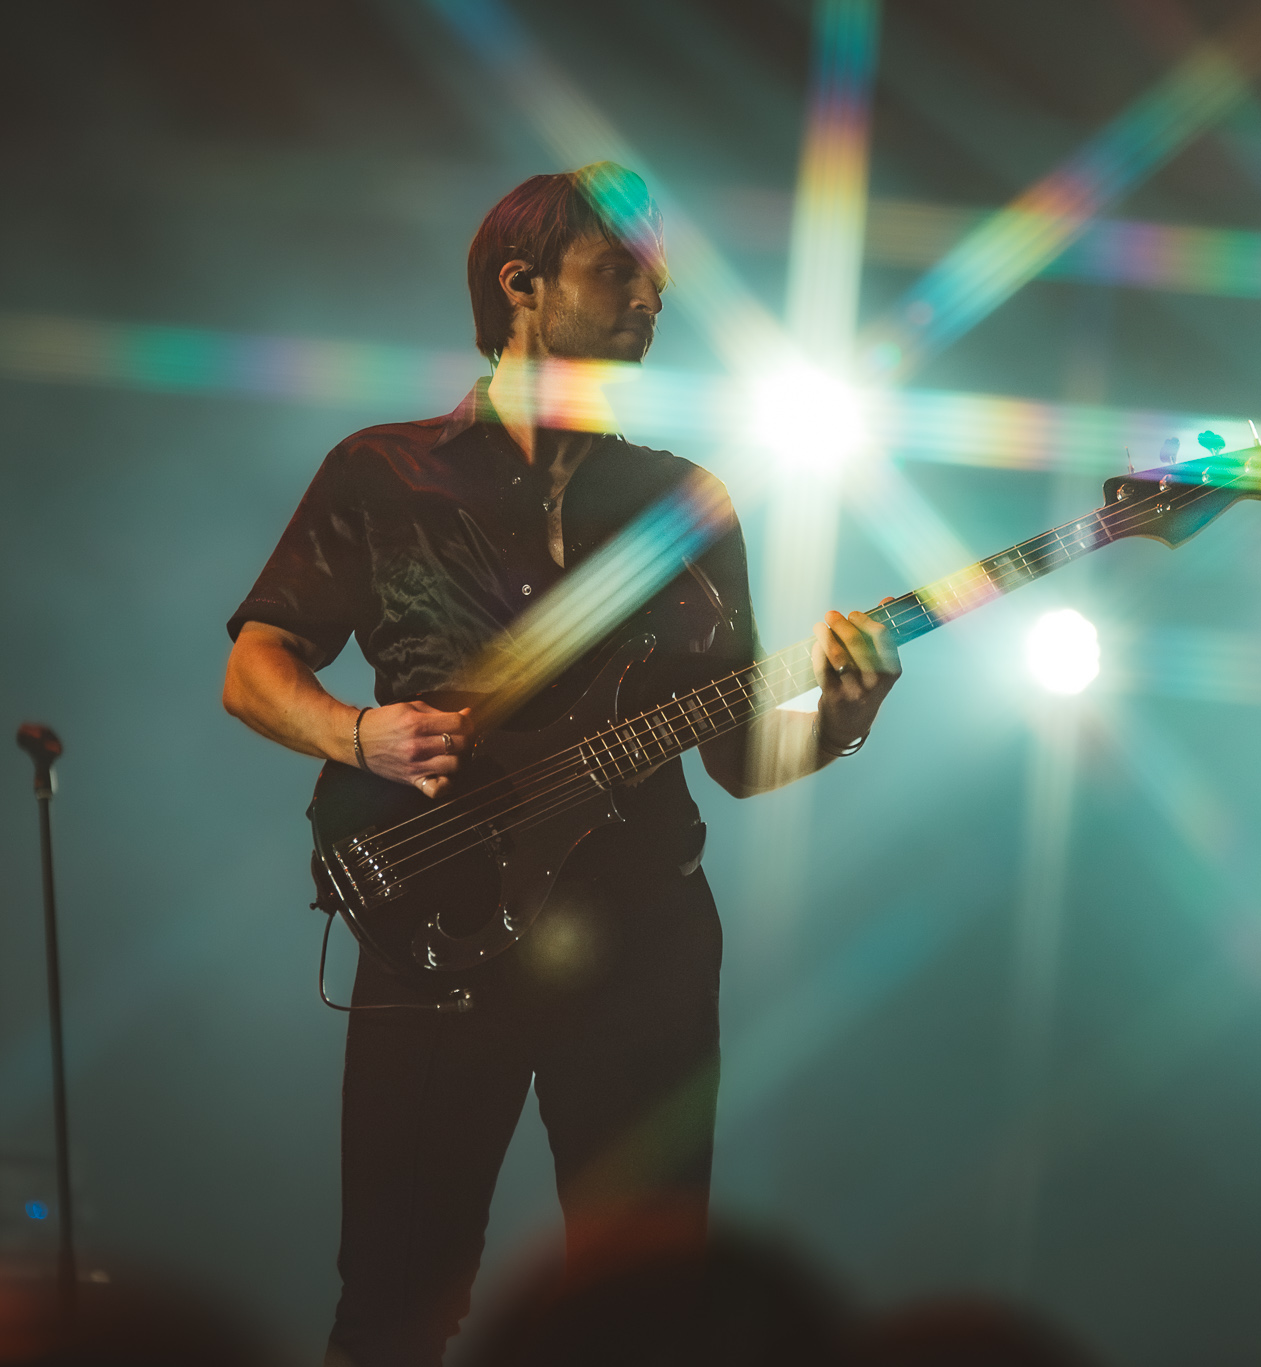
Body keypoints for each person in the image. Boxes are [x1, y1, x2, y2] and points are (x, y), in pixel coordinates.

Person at [220, 162, 900, 1367]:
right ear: (519, 282)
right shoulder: (384, 468)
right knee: (396, 1299)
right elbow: (255, 664)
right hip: (435, 912)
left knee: (648, 1309)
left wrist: (841, 714)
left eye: (660, 280)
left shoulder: (687, 501)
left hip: (643, 931)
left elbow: (741, 757)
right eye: (620, 270)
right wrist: (355, 731)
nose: (651, 297)